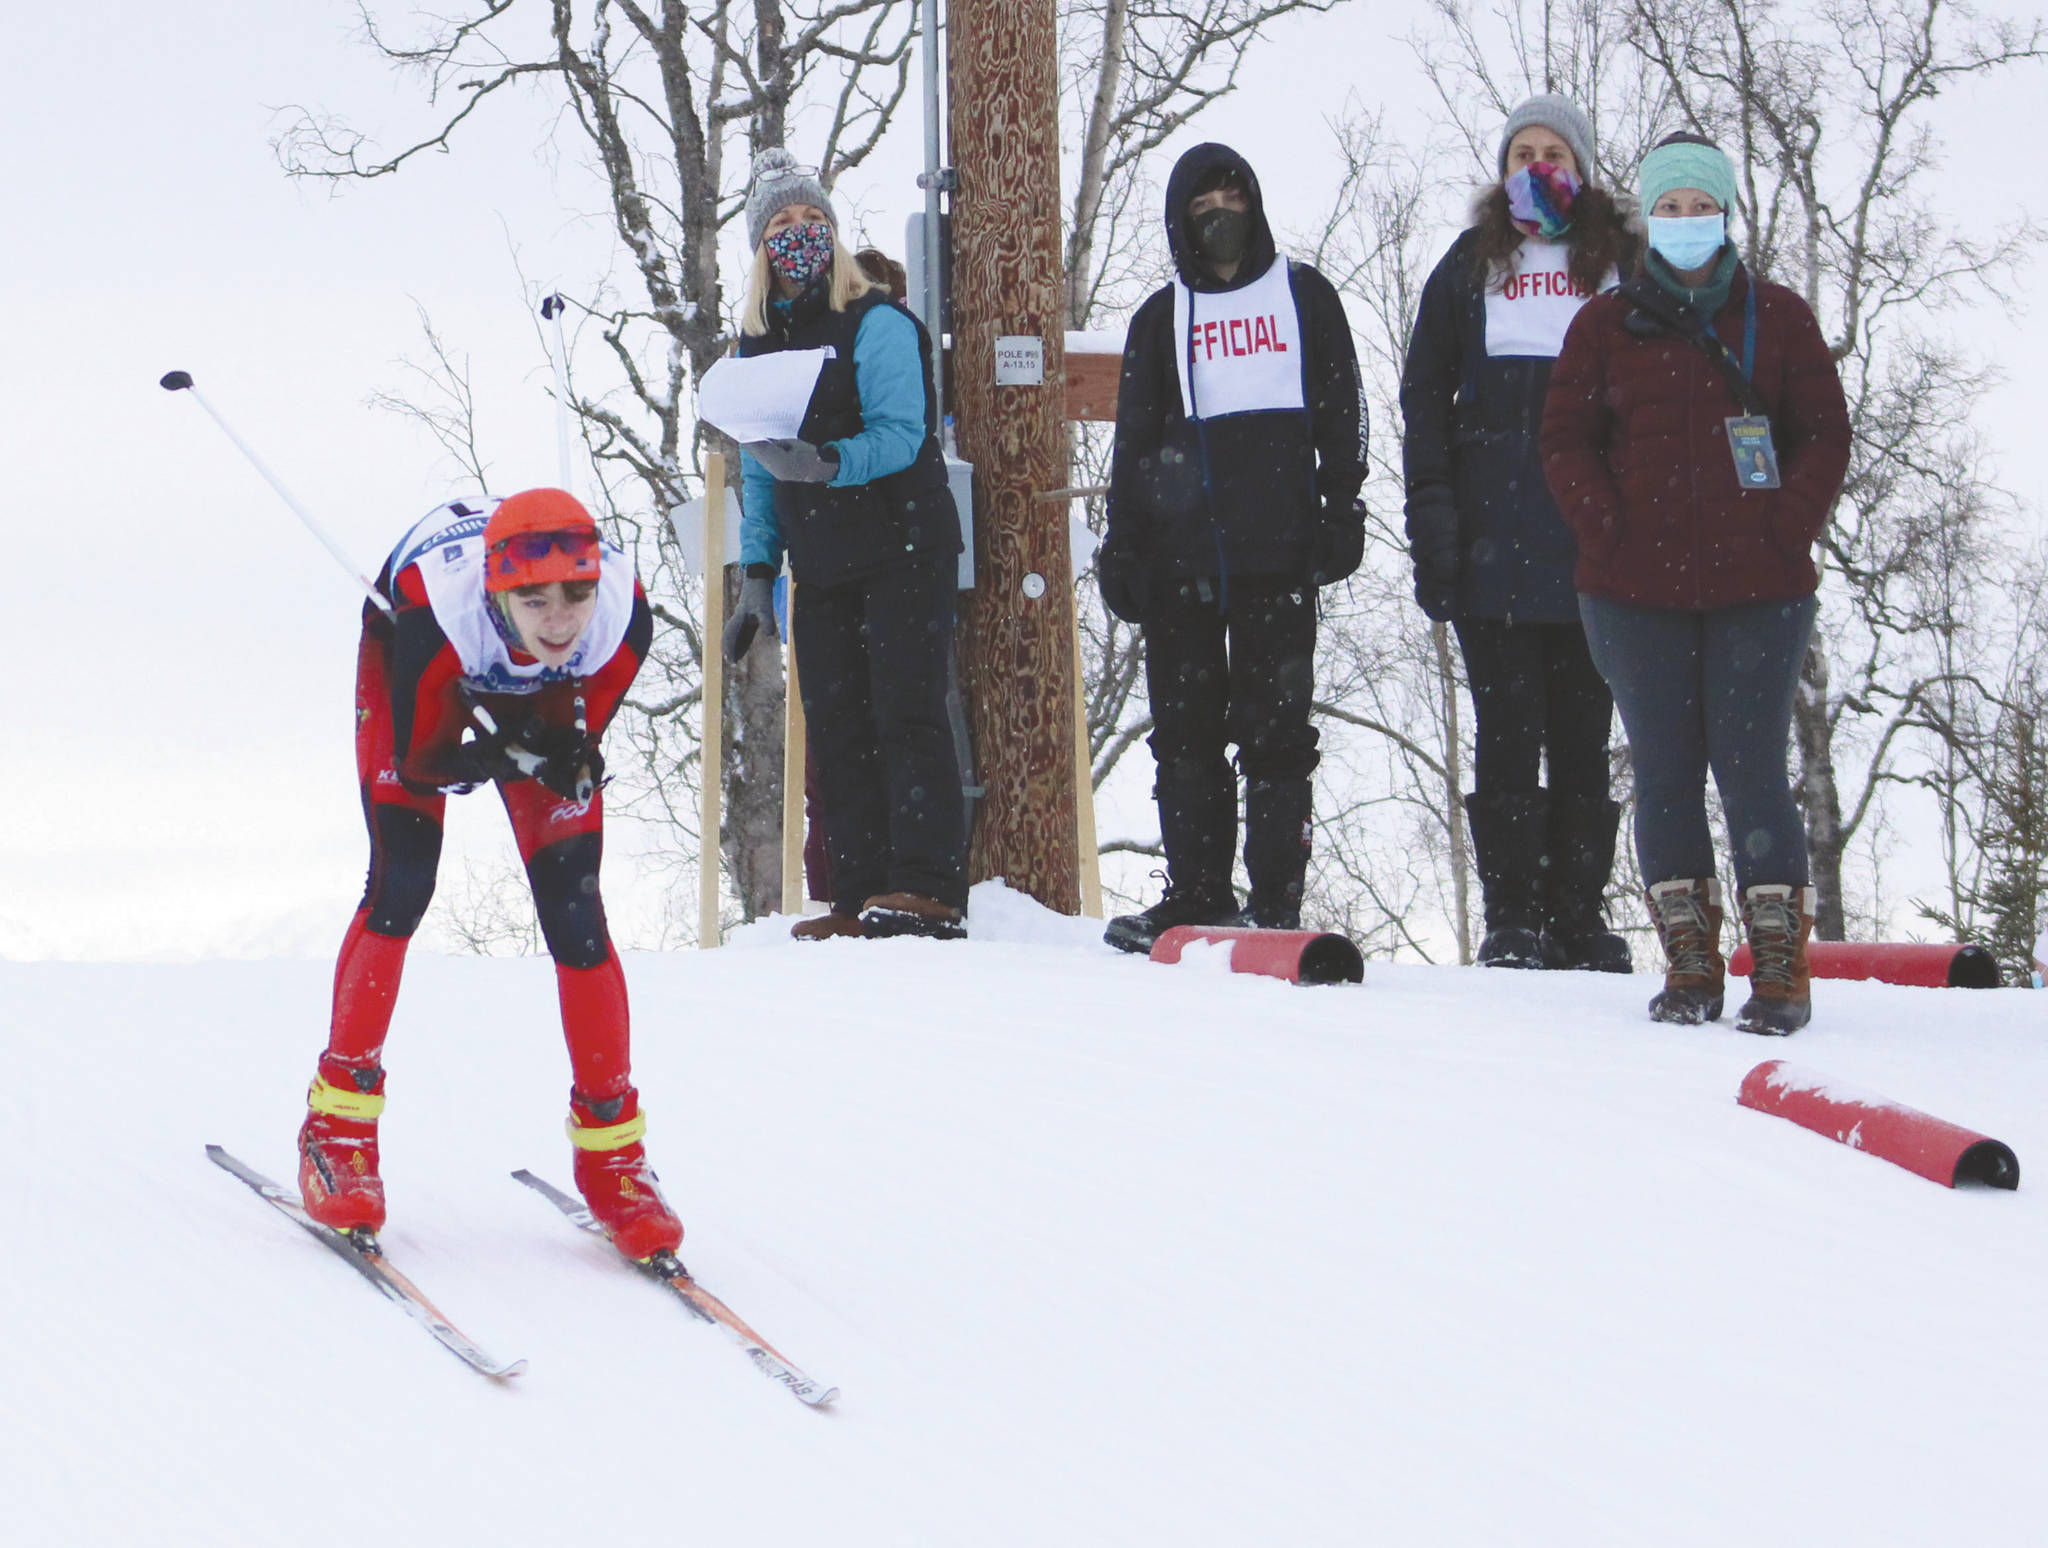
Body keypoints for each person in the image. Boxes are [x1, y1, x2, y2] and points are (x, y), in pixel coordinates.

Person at [296, 487, 685, 1261]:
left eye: (575, 594)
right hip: (418, 665)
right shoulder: (440, 611)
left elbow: (571, 736)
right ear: (495, 587)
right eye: (532, 599)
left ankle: (613, 1154)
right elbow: (425, 759)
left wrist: (555, 756)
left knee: (576, 912)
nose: (559, 618)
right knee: (404, 880)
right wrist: (501, 754)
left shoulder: (621, 620)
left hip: (539, 688)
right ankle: (336, 1129)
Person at [1541, 132, 1851, 1033]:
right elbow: (1565, 441)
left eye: (1700, 207)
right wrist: (1608, 526)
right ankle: (1689, 961)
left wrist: (1783, 527)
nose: (1685, 222)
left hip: (1762, 589)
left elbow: (1823, 435)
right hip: (1633, 594)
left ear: (1725, 214)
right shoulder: (1602, 325)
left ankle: (1781, 968)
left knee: (1752, 769)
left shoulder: (1779, 318)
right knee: (1667, 776)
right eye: (1669, 207)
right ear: (1649, 218)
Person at [1097, 143, 1366, 951]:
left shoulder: (1304, 298)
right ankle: (1198, 892)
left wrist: (1342, 504)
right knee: (1183, 734)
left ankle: (1276, 902)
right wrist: (1124, 543)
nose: (1220, 212)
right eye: (1203, 201)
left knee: (1277, 736)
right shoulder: (1160, 318)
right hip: (1182, 567)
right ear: (1181, 219)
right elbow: (1135, 441)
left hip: (1280, 558)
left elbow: (1342, 406)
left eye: (1232, 194)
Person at [1401, 95, 1641, 973]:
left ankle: (1578, 915)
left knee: (1584, 734)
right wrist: (1432, 527)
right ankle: (1512, 917)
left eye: (1553, 153)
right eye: (1521, 154)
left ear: (1581, 168)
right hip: (1492, 547)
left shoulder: (1623, 268)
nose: (1536, 167)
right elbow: (1424, 398)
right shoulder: (1470, 267)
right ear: (1502, 171)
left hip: (1596, 545)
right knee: (1507, 731)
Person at [723, 148, 968, 942]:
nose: (800, 234)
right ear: (761, 249)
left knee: (906, 711)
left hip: (903, 544)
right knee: (838, 726)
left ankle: (927, 883)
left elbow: (903, 434)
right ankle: (858, 890)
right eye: (783, 224)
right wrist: (758, 574)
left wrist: (829, 463)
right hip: (820, 563)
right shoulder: (753, 348)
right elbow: (759, 476)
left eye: (812, 219)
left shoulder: (878, 322)